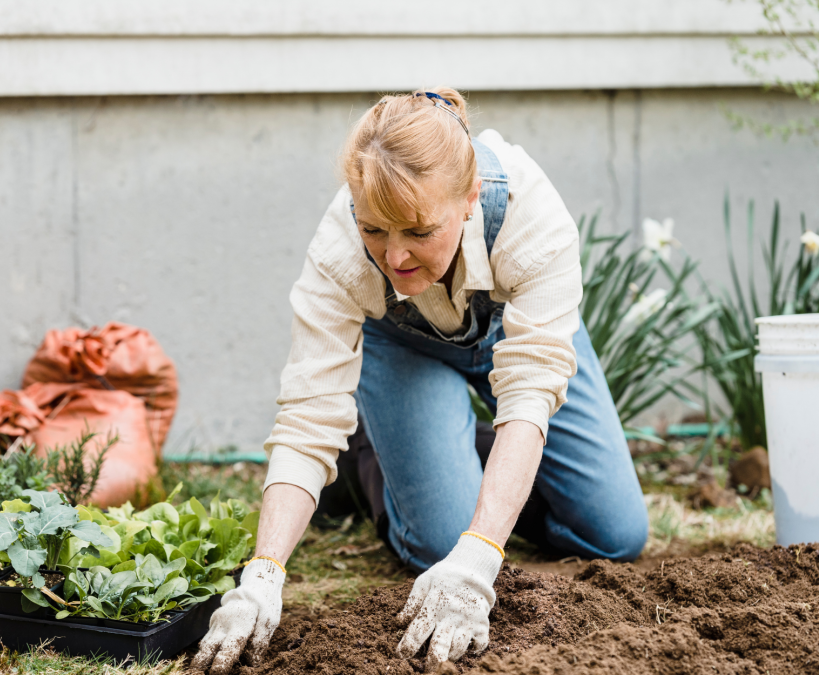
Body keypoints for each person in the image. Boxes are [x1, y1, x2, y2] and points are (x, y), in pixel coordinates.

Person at [191, 87, 648, 674]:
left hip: (515, 333)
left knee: (616, 534)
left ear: (468, 197)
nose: (396, 257)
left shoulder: (531, 216)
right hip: (401, 346)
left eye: (418, 230)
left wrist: (482, 553)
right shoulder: (339, 254)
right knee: (439, 545)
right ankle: (372, 458)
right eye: (375, 230)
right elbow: (308, 417)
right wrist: (263, 576)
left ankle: (432, 449)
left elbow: (531, 390)